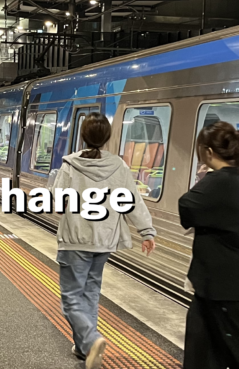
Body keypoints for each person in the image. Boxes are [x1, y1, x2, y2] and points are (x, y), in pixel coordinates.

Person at [51, 112, 156, 369]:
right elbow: (133, 200)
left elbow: (56, 202)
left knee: (72, 298)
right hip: (104, 242)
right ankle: (84, 349)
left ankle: (91, 339)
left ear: (83, 136)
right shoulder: (118, 166)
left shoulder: (70, 165)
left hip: (75, 240)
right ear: (107, 138)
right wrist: (147, 231)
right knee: (91, 293)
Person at [178, 121, 239, 368]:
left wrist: (205, 178)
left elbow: (186, 209)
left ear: (209, 153)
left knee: (205, 355)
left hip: (220, 289)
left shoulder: (218, 182)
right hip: (217, 289)